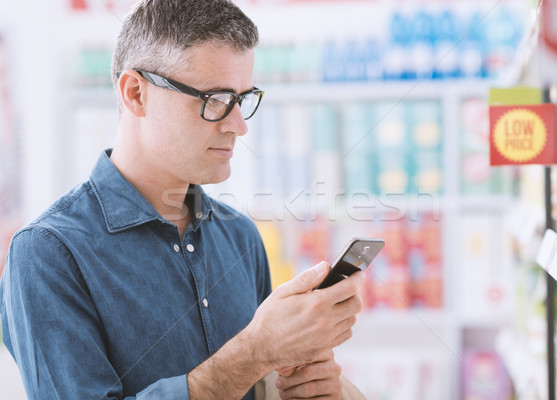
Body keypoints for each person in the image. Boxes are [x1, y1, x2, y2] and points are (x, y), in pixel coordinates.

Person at [0, 0, 364, 399]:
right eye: (216, 99)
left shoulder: (240, 237)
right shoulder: (48, 253)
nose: (239, 126)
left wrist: (304, 387)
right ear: (136, 93)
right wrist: (254, 353)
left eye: (242, 99)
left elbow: (260, 386)